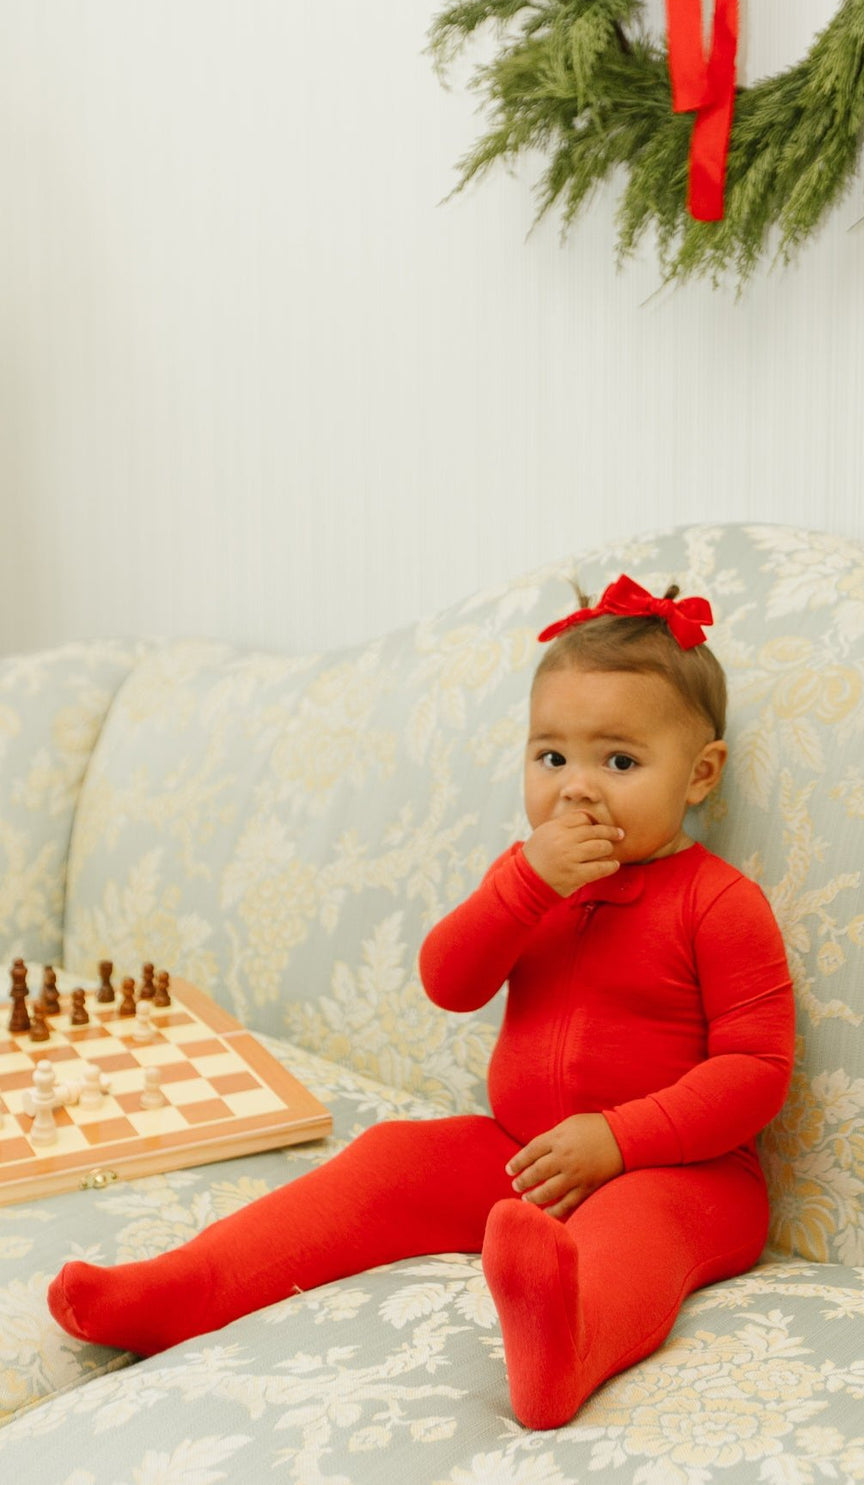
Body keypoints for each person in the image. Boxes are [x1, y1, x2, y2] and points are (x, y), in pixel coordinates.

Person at [48, 574, 796, 1430]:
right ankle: (185, 1286)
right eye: (551, 756)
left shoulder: (718, 902)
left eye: (619, 761)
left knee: (637, 1228)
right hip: (524, 1152)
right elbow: (450, 979)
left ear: (701, 774)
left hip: (685, 1173)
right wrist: (523, 888)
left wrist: (619, 1139)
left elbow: (756, 1071)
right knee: (389, 1158)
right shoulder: (529, 877)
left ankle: (568, 1342)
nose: (576, 788)